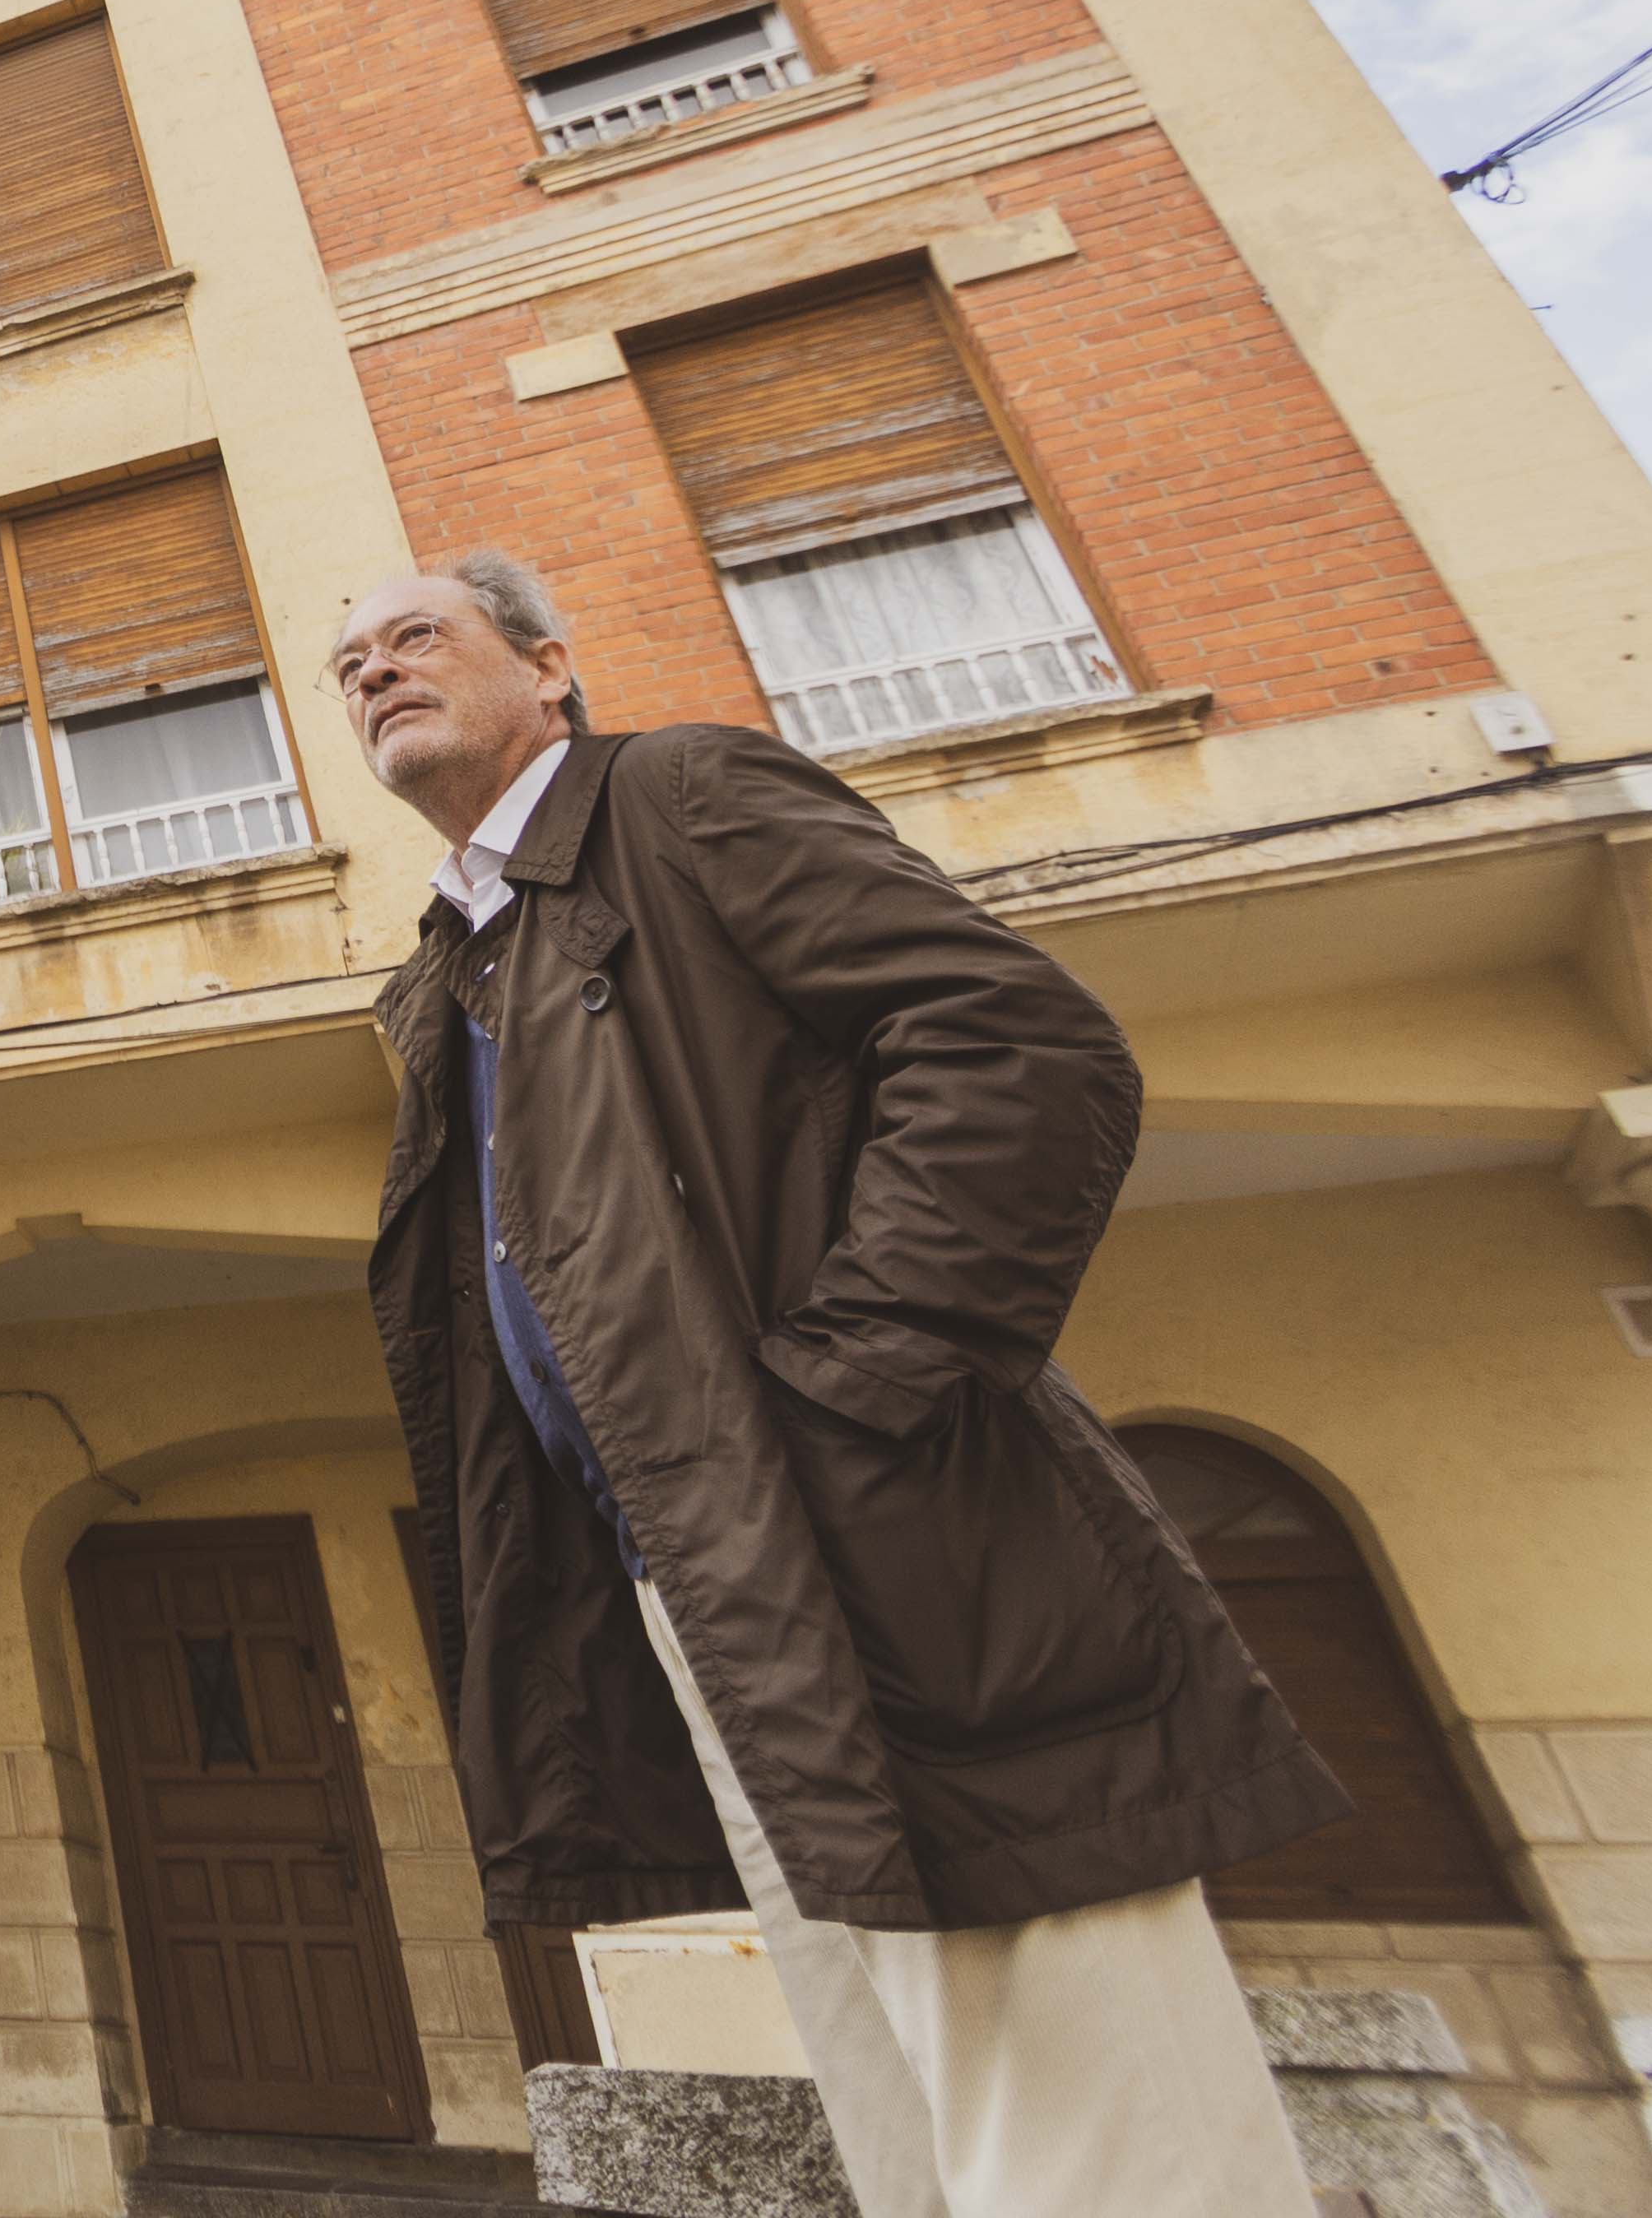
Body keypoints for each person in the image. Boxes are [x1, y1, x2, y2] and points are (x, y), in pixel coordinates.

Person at [328, 551, 1344, 2218]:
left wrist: (857, 1387)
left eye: (417, 634)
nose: (374, 669)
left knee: (1092, 2115)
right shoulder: (458, 970)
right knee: (905, 2112)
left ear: (551, 667)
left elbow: (1015, 1043)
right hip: (706, 1587)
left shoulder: (678, 795)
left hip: (900, 1540)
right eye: (349, 660)